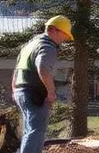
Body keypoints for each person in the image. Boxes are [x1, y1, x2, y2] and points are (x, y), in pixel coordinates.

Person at [11, 16, 74, 153]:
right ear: (54, 30)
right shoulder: (48, 47)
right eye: (65, 35)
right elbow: (43, 68)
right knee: (36, 131)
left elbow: (17, 69)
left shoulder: (30, 45)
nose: (65, 40)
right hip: (35, 94)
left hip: (21, 92)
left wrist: (14, 90)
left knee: (30, 130)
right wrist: (51, 92)